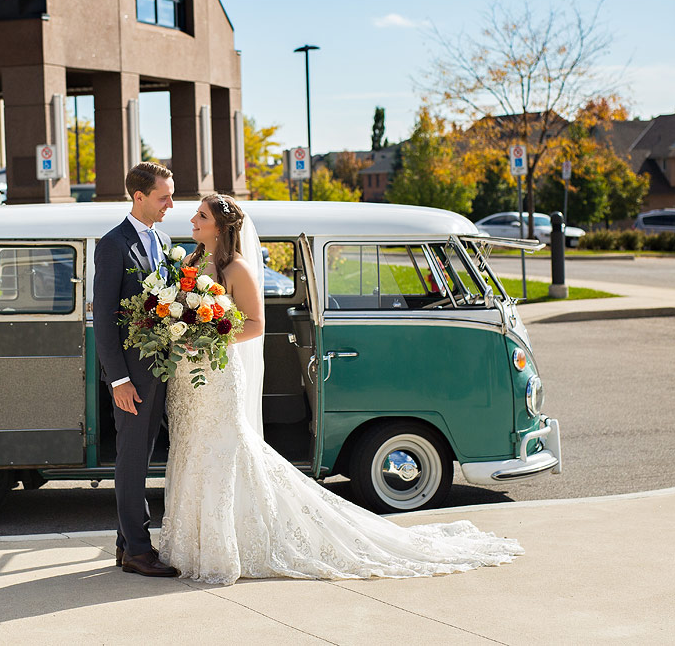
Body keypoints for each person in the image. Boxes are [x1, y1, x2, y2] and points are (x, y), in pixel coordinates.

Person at [160, 194, 524, 585]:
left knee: (222, 450)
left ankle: (226, 546)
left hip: (216, 372)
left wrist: (209, 337)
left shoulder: (238, 269)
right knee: (191, 449)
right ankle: (192, 547)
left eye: (201, 215)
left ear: (220, 225)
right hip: (189, 377)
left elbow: (255, 325)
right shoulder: (191, 264)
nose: (193, 220)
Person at [93, 162, 180, 578]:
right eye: (164, 196)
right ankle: (139, 551)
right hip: (132, 375)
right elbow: (105, 319)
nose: (170, 204)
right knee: (132, 461)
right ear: (138, 196)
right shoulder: (112, 244)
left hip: (161, 369)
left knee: (142, 457)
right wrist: (119, 380)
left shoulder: (163, 239)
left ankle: (125, 545)